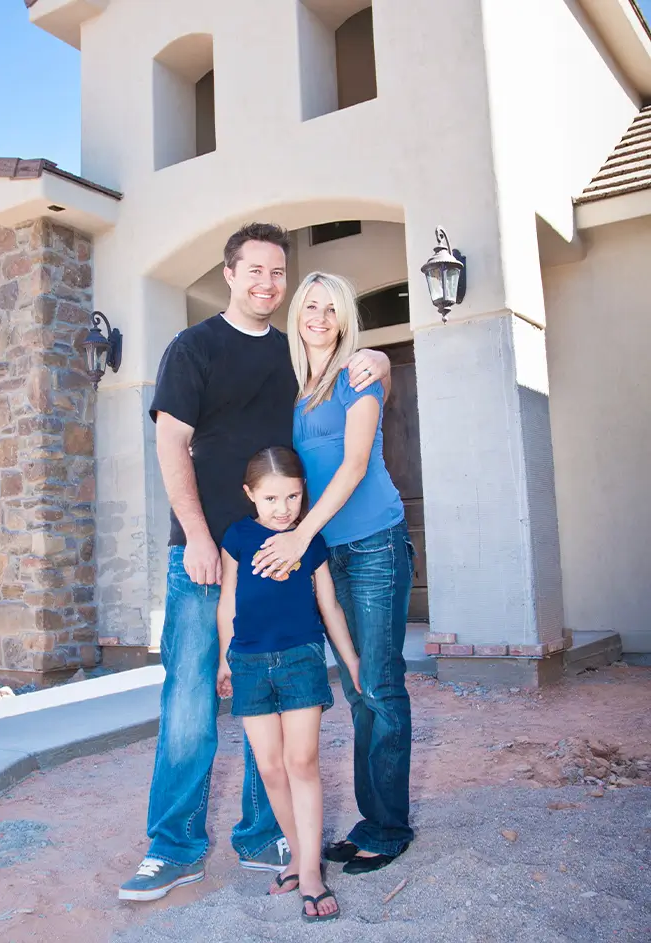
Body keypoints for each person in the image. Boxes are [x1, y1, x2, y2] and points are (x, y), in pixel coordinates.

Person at [119, 225, 391, 902]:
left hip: (276, 556)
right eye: (255, 271)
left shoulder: (291, 352)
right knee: (189, 701)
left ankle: (263, 834)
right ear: (230, 274)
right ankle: (173, 845)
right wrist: (197, 536)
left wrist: (379, 359)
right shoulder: (194, 347)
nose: (268, 284)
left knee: (264, 694)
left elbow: (348, 365)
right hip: (202, 554)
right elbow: (171, 444)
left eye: (278, 273)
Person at [251, 271, 415, 875]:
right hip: (327, 552)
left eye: (331, 308)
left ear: (345, 318)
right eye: (310, 307)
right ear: (297, 315)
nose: (318, 317)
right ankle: (373, 818)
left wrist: (299, 536)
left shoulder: (357, 375)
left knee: (380, 684)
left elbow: (353, 466)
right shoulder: (294, 388)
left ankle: (389, 828)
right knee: (356, 685)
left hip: (372, 544)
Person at [217, 446, 361, 922]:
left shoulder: (309, 541)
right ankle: (300, 858)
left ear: (304, 493)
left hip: (301, 659)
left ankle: (312, 875)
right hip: (249, 664)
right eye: (271, 498)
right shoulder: (237, 537)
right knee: (271, 768)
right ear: (250, 494)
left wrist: (351, 660)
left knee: (301, 762)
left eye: (293, 497)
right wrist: (223, 661)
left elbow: (329, 605)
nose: (283, 509)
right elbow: (228, 602)